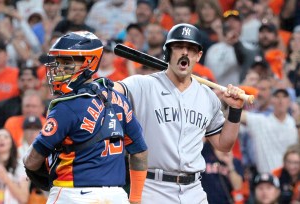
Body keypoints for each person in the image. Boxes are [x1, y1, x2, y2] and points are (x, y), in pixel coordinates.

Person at [114, 23, 245, 203]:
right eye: (179, 47)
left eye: (191, 49)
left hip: (194, 190)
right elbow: (114, 89)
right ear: (168, 52)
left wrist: (235, 110)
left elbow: (224, 145)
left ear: (198, 55)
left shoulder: (208, 96)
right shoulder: (143, 85)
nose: (185, 52)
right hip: (153, 187)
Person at [23, 31, 148, 204]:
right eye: (58, 62)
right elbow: (140, 152)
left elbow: (32, 160)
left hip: (72, 194)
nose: (59, 69)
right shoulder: (119, 100)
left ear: (89, 62)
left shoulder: (66, 106)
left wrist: (30, 162)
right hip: (117, 196)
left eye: (67, 62)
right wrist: (134, 199)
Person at [0, 128, 30, 204]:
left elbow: (23, 199)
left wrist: (5, 177)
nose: (1, 138)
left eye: (5, 137)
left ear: (11, 143)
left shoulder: (21, 167)